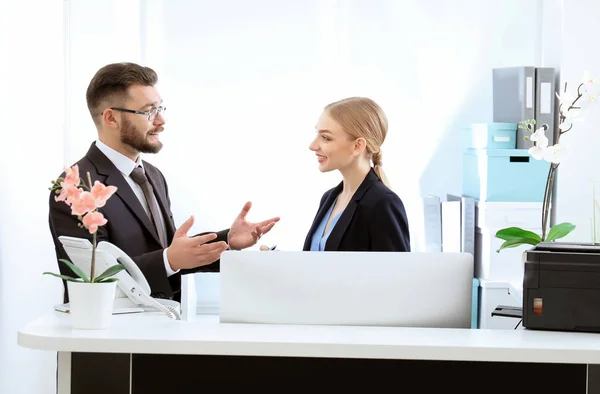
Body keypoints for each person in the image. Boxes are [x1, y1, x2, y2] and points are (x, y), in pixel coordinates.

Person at [49, 62, 279, 302]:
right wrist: (169, 260)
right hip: (110, 333)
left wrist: (226, 240)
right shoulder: (74, 189)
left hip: (162, 327)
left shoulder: (153, 175)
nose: (161, 120)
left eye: (160, 108)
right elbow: (95, 279)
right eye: (149, 111)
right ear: (111, 118)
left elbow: (168, 254)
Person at [302, 96, 410, 252]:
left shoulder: (383, 203)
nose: (313, 146)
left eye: (325, 138)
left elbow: (397, 274)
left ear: (358, 145)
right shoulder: (329, 198)